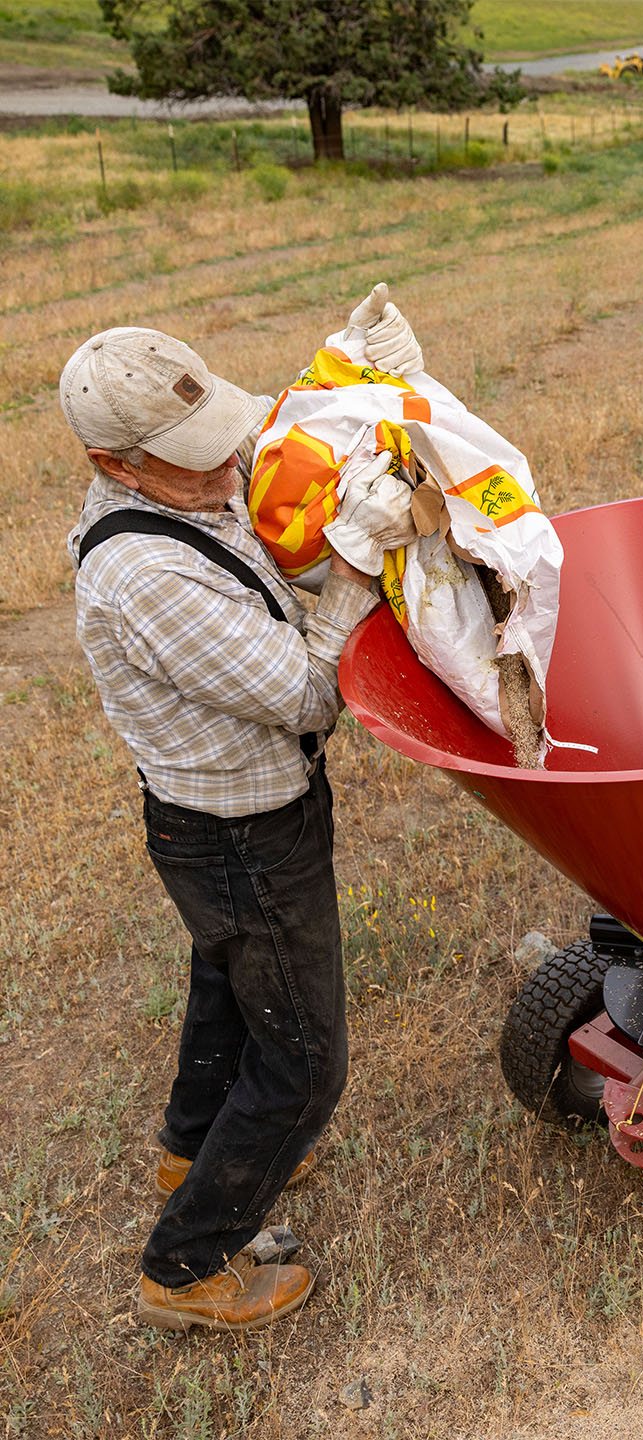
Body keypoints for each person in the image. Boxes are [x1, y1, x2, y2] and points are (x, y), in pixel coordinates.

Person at [60, 288, 424, 1332]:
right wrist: (356, 566)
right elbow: (313, 691)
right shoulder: (145, 576)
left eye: (222, 436)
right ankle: (190, 1264)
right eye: (198, 454)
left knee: (228, 983)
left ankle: (190, 1147)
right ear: (116, 467)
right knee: (306, 1061)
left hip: (226, 828)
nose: (230, 466)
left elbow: (268, 490)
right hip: (242, 835)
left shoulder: (187, 494)